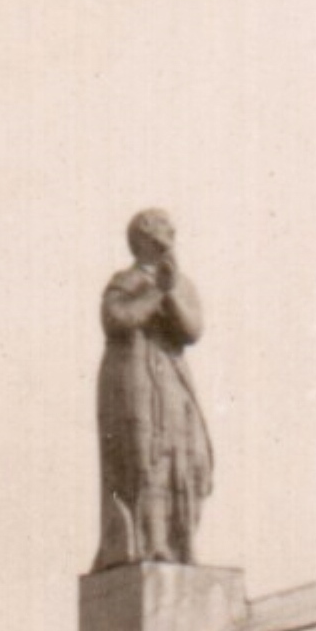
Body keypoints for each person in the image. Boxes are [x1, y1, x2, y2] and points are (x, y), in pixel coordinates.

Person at [94, 211, 213, 569]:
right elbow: (117, 320)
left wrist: (171, 290)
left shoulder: (180, 282)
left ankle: (183, 542)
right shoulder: (125, 280)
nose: (172, 231)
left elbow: (192, 331)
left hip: (172, 378)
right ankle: (153, 542)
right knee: (147, 457)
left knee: (183, 456)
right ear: (143, 235)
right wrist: (157, 292)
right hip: (134, 376)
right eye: (162, 225)